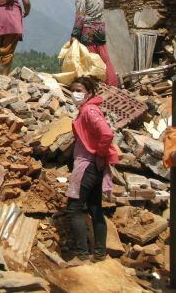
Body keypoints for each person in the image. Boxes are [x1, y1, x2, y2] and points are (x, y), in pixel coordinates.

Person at [65, 76, 118, 264]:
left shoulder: (89, 110)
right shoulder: (87, 110)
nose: (75, 94)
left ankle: (82, 256)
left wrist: (100, 154)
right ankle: (100, 254)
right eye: (73, 90)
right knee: (95, 208)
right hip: (93, 166)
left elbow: (107, 133)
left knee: (74, 209)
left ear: (89, 93)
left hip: (87, 165)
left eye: (79, 90)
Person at [72, 0, 119, 87]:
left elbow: (81, 14)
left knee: (90, 59)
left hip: (88, 29)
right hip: (101, 28)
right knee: (104, 57)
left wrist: (75, 33)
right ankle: (112, 84)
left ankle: (93, 86)